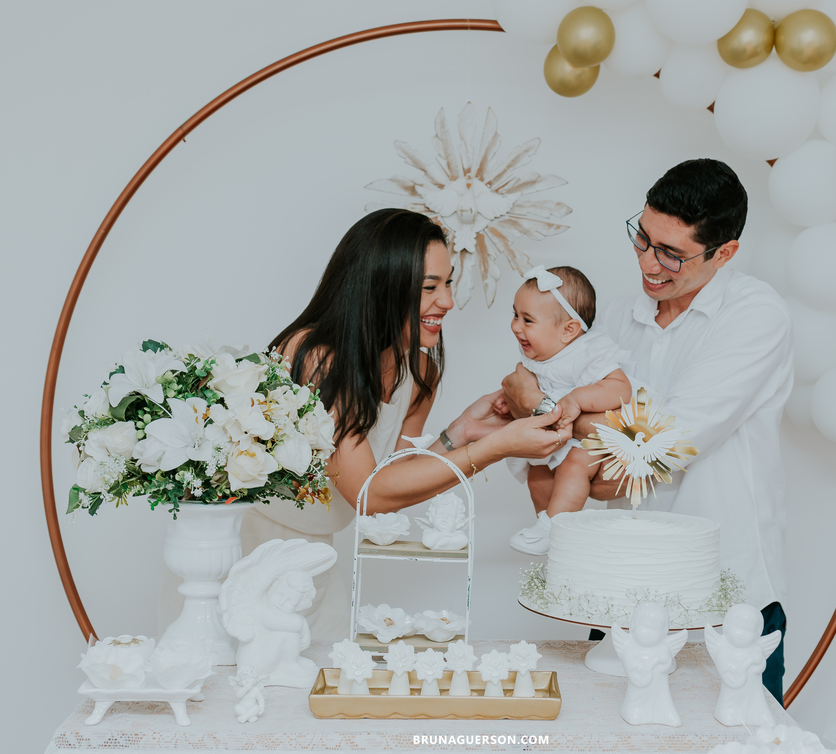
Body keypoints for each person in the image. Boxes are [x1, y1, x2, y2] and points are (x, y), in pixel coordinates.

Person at [501, 160, 794, 702]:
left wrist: (539, 406)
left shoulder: (755, 316)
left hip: (723, 590)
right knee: (606, 728)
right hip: (618, 587)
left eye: (671, 254)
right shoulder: (616, 318)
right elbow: (586, 453)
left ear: (724, 253)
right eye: (642, 238)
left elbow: (657, 449)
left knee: (735, 733)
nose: (647, 263)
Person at [246, 208, 569, 639]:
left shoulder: (418, 372)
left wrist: (460, 433)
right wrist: (498, 447)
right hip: (254, 553)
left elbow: (390, 482)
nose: (447, 301)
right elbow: (369, 495)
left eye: (448, 283)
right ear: (381, 287)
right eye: (429, 287)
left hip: (317, 556)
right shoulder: (317, 357)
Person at [498, 265, 631, 555]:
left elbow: (621, 389)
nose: (516, 326)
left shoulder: (588, 352)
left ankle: (555, 527)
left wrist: (577, 399)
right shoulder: (542, 349)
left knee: (573, 466)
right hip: (559, 433)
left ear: (568, 330)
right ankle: (546, 526)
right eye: (515, 315)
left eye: (527, 320)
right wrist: (507, 399)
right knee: (538, 474)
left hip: (591, 437)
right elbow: (533, 385)